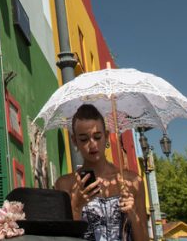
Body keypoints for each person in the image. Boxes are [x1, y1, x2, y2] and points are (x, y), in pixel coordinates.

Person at [55, 103, 146, 241]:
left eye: (97, 137)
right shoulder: (65, 184)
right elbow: (62, 238)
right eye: (84, 139)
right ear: (74, 141)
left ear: (107, 136)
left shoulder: (132, 181)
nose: (92, 145)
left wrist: (133, 214)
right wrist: (76, 206)